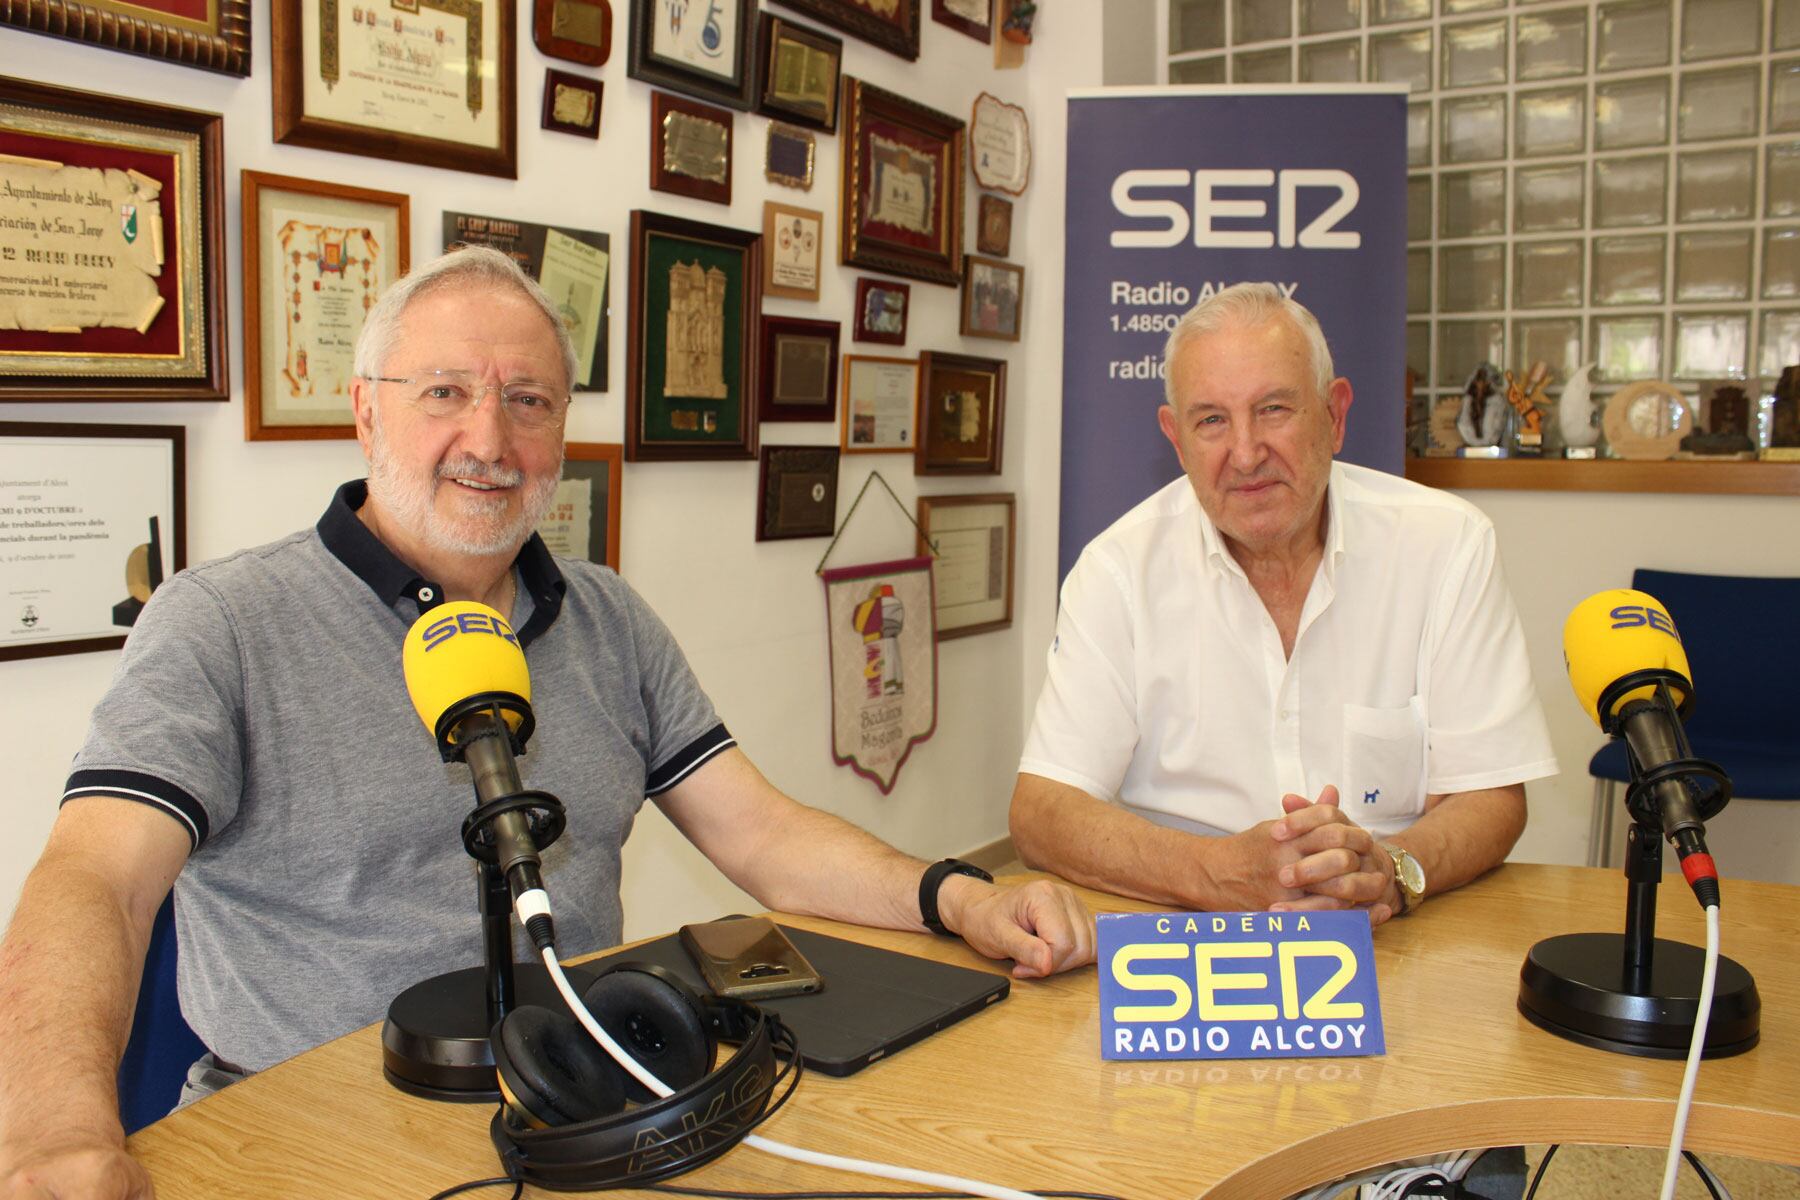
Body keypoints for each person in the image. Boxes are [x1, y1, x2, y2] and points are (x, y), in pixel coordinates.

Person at [0, 246, 1094, 1198]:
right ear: (364, 408)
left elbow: (757, 832)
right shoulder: (224, 623)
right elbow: (95, 876)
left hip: (575, 1112)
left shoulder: (605, 615)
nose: (488, 437)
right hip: (306, 1135)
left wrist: (959, 896)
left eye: (528, 401)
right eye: (443, 393)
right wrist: (50, 1130)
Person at [1010, 283, 1555, 924]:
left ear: (1336, 414)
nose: (1245, 453)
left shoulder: (1448, 546)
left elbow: (1490, 794)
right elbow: (1041, 812)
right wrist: (1213, 874)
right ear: (1177, 440)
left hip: (1390, 933)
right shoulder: (1117, 571)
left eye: (1273, 409)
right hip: (1182, 934)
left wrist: (1391, 871)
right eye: (1211, 420)